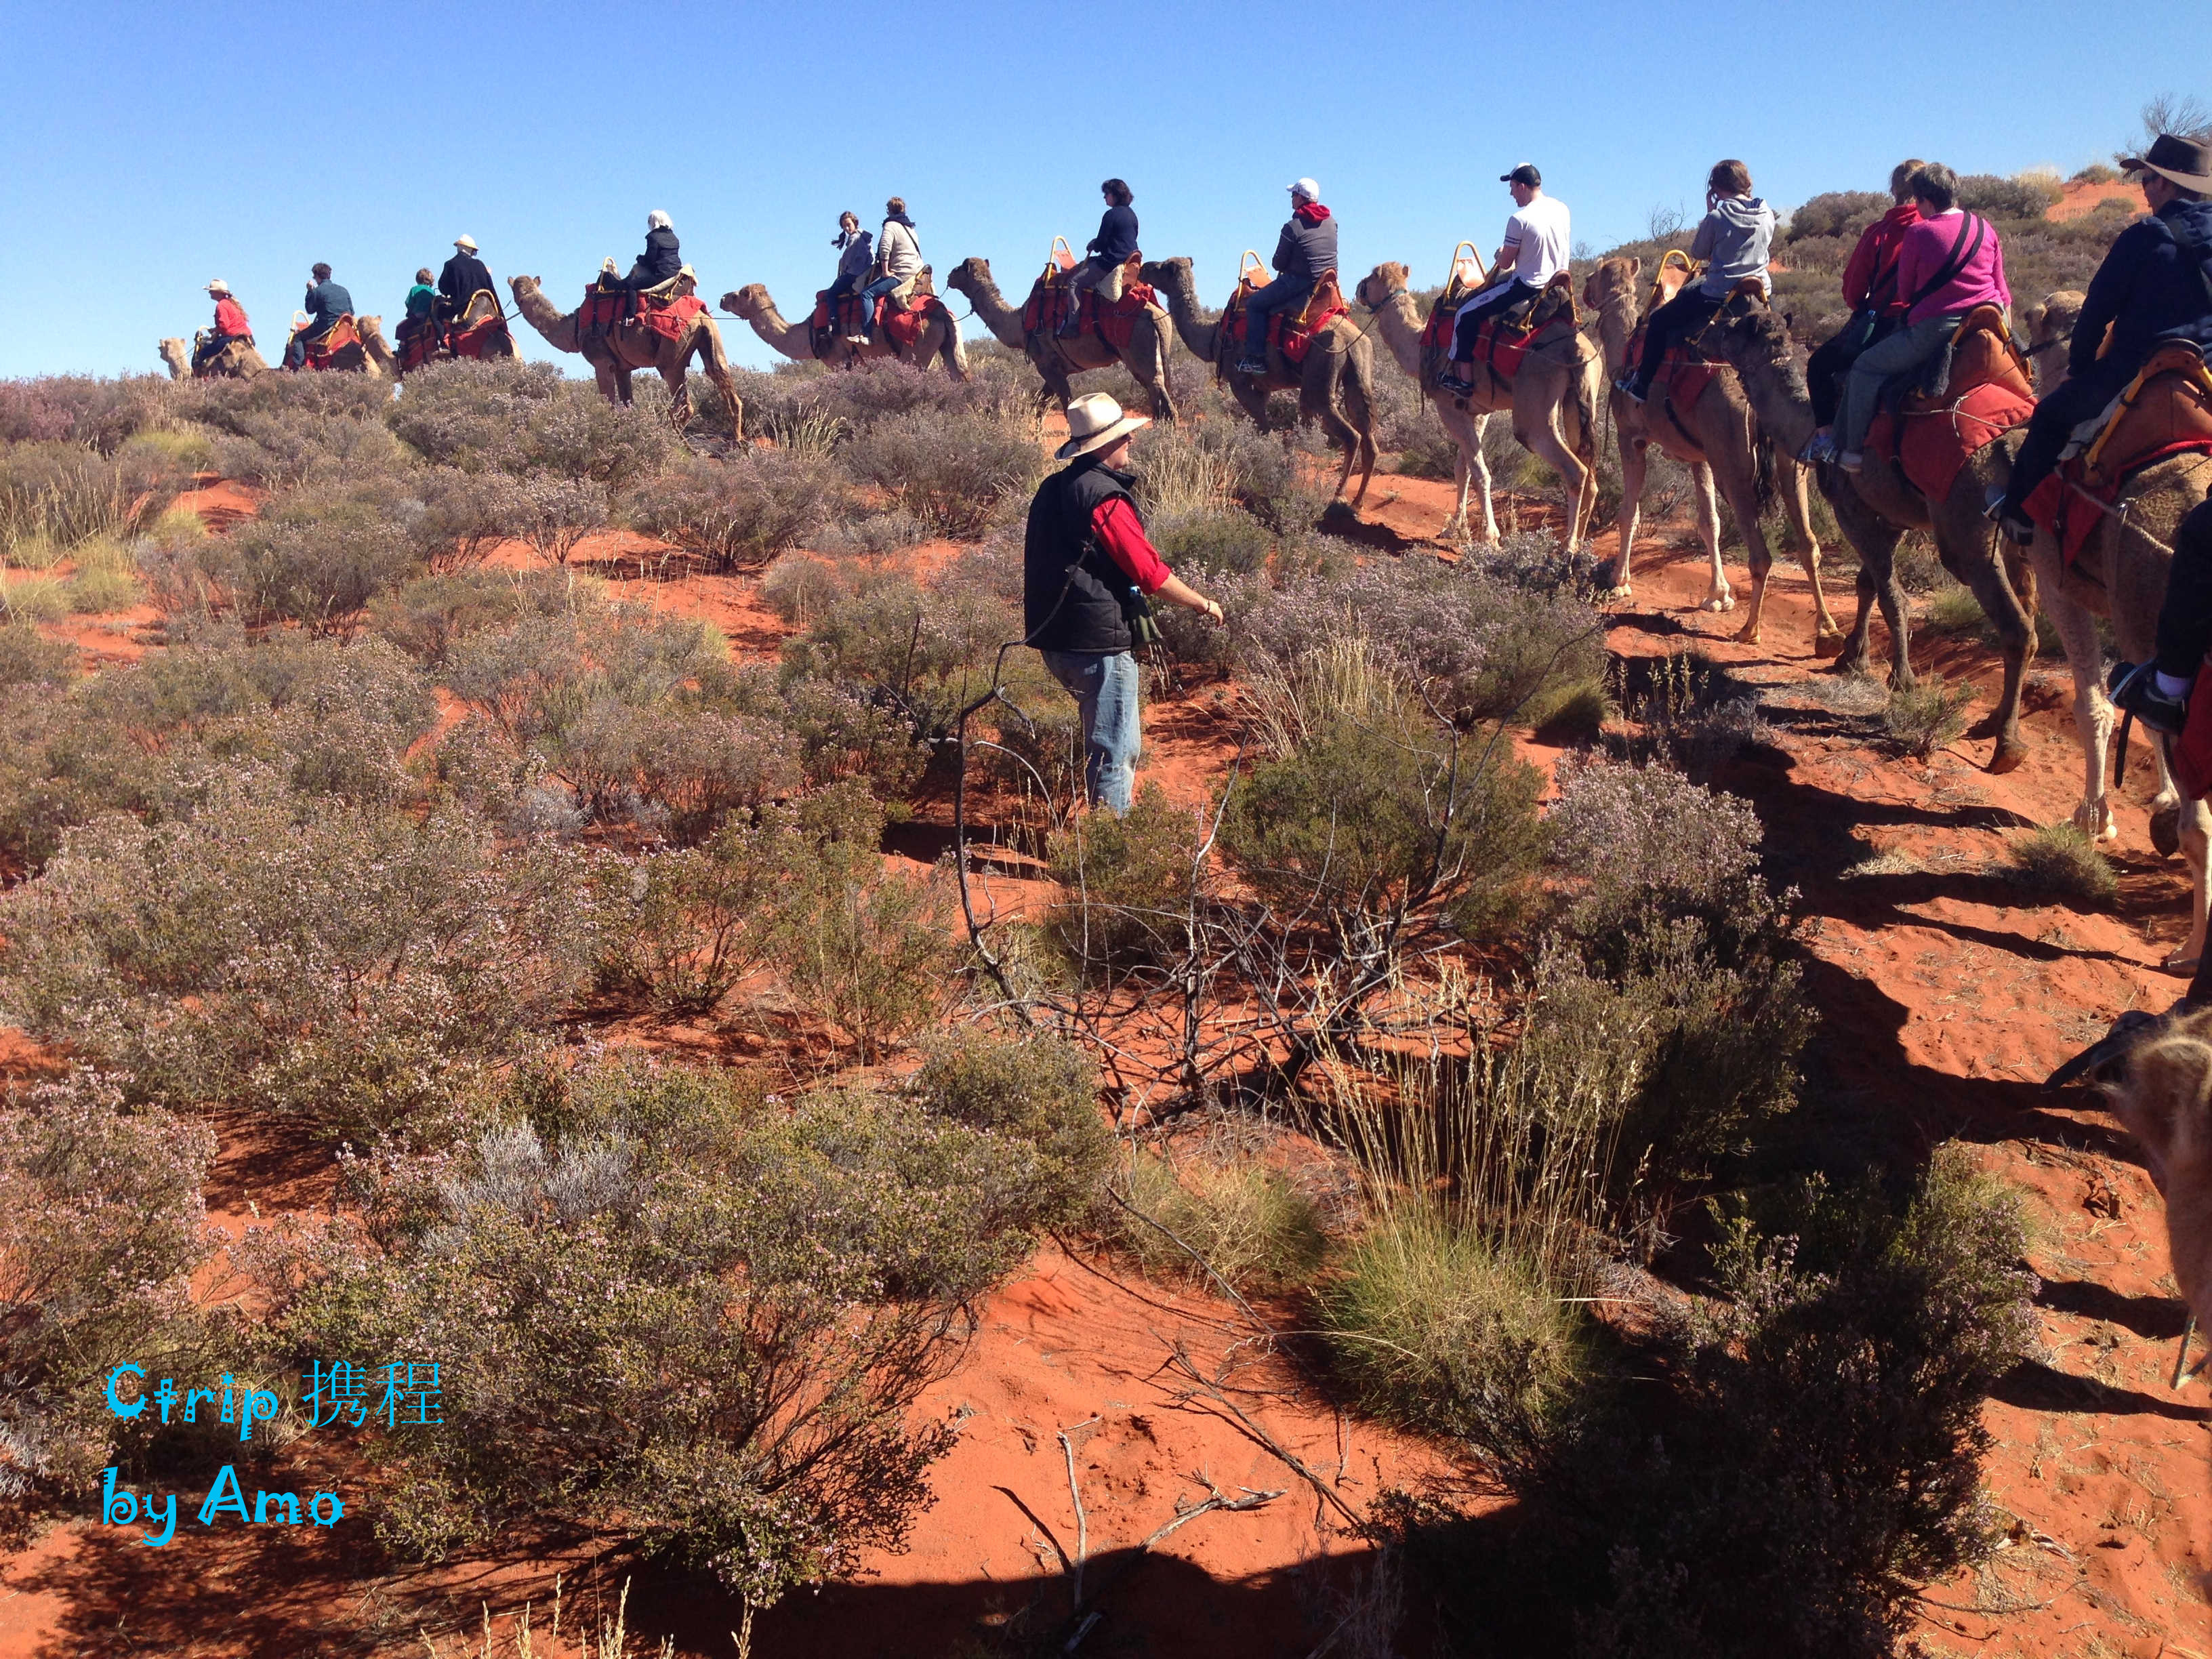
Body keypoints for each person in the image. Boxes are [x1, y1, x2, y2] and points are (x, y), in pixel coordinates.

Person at [1994, 133, 2212, 551]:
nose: (2144, 189)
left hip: (2139, 369)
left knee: (2050, 418)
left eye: (2147, 180)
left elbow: (2096, 313)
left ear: (2165, 184)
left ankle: (2019, 517)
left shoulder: (2145, 236)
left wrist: (2077, 369)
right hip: (2208, 373)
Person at [1024, 392, 1224, 812]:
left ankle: (1100, 833)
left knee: (1110, 742)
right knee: (1116, 752)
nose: (1130, 441)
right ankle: (1109, 853)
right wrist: (1202, 604)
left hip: (1055, 638)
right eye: (1123, 436)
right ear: (1103, 445)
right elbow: (1149, 572)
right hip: (1097, 645)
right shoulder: (1103, 496)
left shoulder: (1053, 487)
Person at [1822, 164, 2009, 472]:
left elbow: (1907, 292)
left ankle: (1851, 451)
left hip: (1938, 328)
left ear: (1923, 200)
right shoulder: (1984, 227)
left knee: (1866, 367)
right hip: (1990, 322)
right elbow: (2002, 289)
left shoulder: (1920, 232)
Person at [1618, 160, 1776, 403]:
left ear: (1715, 188)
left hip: (1719, 295)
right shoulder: (1768, 214)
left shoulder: (1717, 217)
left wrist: (1709, 212)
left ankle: (1642, 385)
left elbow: (1699, 252)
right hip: (1759, 293)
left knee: (1659, 320)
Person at [1800, 159, 1925, 440]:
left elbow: (1853, 290)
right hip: (1929, 324)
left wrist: (1863, 306)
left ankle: (1827, 440)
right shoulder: (1939, 229)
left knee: (1818, 366)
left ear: (1894, 189)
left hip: (1885, 326)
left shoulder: (1879, 233)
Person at [1439, 163, 1571, 395]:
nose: (1511, 194)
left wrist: (1500, 253)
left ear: (1521, 186)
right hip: (1558, 286)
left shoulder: (1519, 219)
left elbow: (1505, 264)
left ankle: (1464, 381)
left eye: (1512, 188)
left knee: (1465, 314)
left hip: (1528, 286)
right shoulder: (1562, 209)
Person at [1235, 178, 1338, 375]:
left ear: (1301, 197)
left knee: (1255, 304)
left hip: (1299, 284)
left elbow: (1278, 264)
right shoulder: (1331, 222)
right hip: (1327, 284)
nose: (1292, 199)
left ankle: (1255, 359)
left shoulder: (1293, 227)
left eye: (1293, 195)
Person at [1062, 178, 1139, 336]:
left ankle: (1073, 326)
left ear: (1115, 195)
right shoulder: (1133, 216)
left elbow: (1103, 243)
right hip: (1129, 261)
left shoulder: (1110, 215)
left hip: (1111, 262)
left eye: (1107, 194)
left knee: (1074, 283)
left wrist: (1094, 244)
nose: (1105, 197)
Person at [857, 197, 922, 344]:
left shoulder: (891, 225)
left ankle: (867, 334)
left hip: (902, 272)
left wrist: (886, 271)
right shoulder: (910, 228)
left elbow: (884, 248)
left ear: (889, 211)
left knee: (866, 294)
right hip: (917, 270)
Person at [285, 262, 354, 369]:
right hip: (344, 326)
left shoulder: (318, 291)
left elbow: (310, 310)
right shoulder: (344, 290)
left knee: (298, 338)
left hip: (326, 326)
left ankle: (297, 367)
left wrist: (310, 291)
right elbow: (352, 312)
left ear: (317, 276)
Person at [827, 211, 872, 335]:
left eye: (848, 225)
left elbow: (848, 258)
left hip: (854, 273)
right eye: (844, 226)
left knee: (830, 294)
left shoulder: (855, 238)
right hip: (863, 272)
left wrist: (845, 269)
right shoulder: (864, 237)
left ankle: (834, 323)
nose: (847, 229)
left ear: (855, 223)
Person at [193, 279, 253, 373]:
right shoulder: (232, 304)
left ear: (219, 293)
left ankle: (199, 377)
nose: (209, 292)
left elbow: (224, 326)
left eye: (212, 291)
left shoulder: (221, 306)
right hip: (248, 337)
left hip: (232, 338)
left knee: (203, 353)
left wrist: (214, 331)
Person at [436, 234, 495, 326]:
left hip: (463, 307)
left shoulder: (450, 264)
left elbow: (443, 288)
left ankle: (442, 339)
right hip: (486, 306)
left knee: (437, 311)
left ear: (459, 247)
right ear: (470, 249)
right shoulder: (480, 265)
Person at [621, 211, 684, 294]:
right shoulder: (674, 238)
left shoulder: (653, 237)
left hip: (661, 275)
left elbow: (649, 261)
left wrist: (640, 259)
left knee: (631, 285)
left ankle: (630, 308)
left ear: (653, 222)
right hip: (676, 273)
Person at [397, 267, 438, 355]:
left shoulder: (414, 289)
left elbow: (408, 303)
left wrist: (410, 312)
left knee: (401, 328)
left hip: (417, 317)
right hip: (429, 318)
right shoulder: (432, 291)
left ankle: (402, 348)